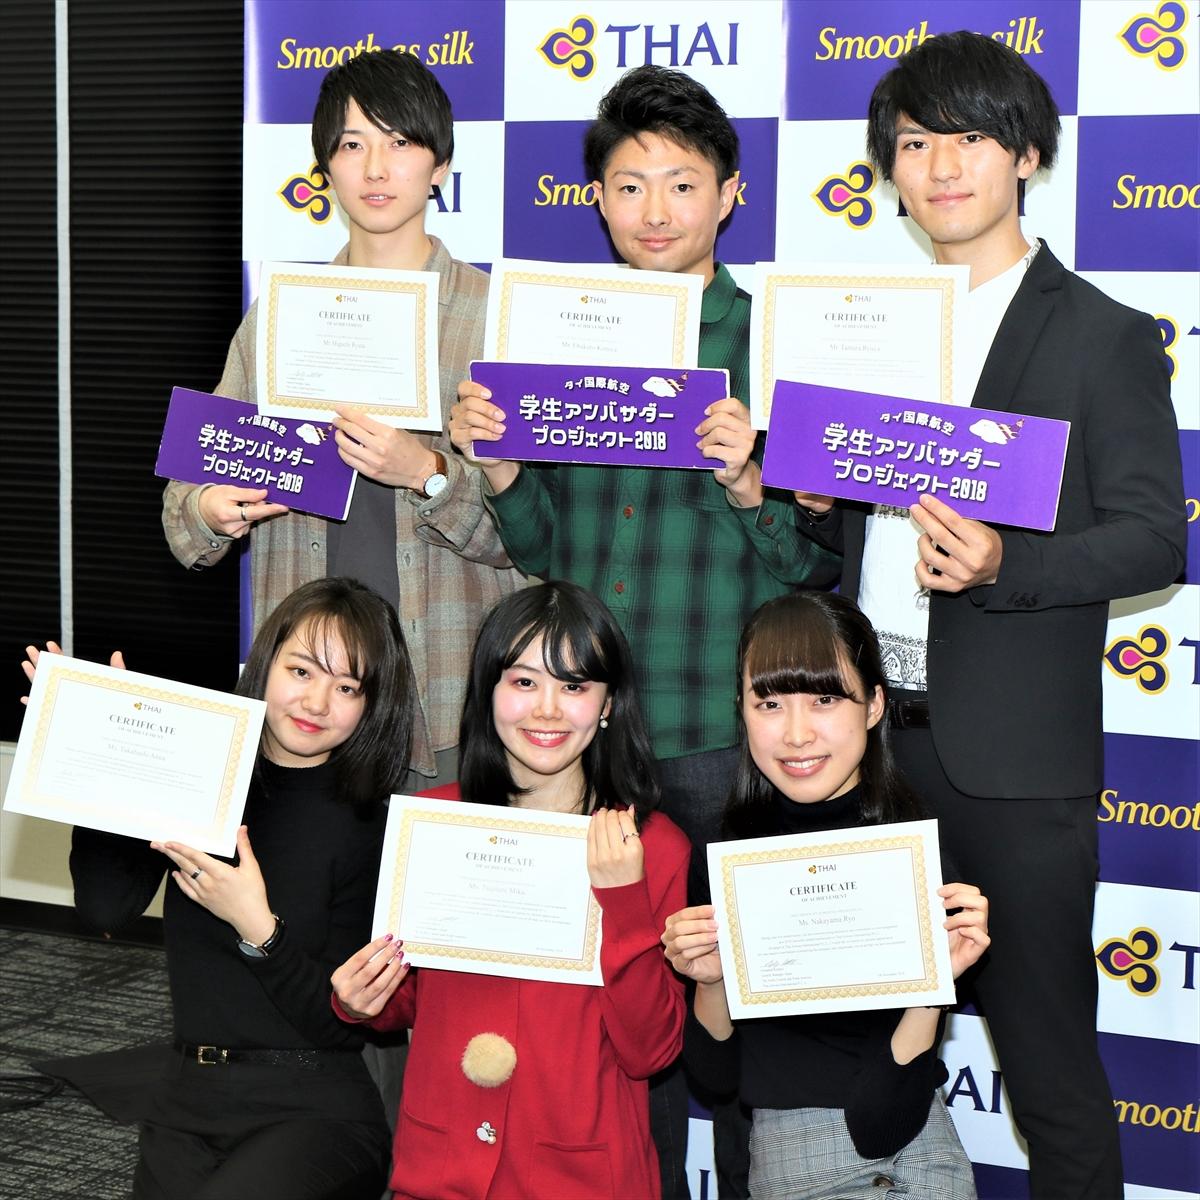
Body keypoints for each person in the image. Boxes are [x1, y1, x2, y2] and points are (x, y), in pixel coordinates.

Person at [790, 32, 1187, 1200]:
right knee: (855, 1046)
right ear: (889, 168)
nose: (942, 165)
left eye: (970, 137)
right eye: (916, 143)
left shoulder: (1102, 333)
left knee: (1050, 1072)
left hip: (1012, 766)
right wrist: (815, 501)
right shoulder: (861, 325)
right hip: (864, 749)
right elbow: (842, 536)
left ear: (1025, 155)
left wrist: (1008, 561)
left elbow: (1155, 539)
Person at [450, 66, 837, 1194]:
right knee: (623, 1016)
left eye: (681, 182)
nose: (655, 209)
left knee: (738, 1012)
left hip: (722, 736)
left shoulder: (779, 344)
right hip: (592, 741)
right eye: (629, 185)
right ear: (597, 200)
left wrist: (752, 485)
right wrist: (505, 471)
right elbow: (543, 550)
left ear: (730, 194)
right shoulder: (558, 334)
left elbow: (817, 571)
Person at [162, 47, 524, 793]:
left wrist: (427, 474)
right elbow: (183, 513)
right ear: (325, 166)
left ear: (440, 166)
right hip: (306, 706)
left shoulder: (496, 323)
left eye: (400, 143)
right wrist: (211, 508)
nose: (376, 168)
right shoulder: (278, 317)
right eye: (352, 145)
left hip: (444, 691)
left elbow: (536, 537)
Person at [24, 577, 417, 1199]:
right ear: (266, 663)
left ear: (372, 704)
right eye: (301, 671)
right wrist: (104, 763)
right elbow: (105, 909)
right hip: (186, 1099)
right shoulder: (204, 774)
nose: (317, 701)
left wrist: (257, 927)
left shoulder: (377, 824)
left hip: (314, 1109)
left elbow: (345, 1025)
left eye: (347, 687)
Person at [331, 581, 691, 1200]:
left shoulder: (652, 846)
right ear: (489, 692)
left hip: (583, 1178)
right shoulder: (435, 823)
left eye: (574, 687)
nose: (547, 710)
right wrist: (361, 999)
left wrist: (624, 903)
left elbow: (650, 1052)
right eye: (524, 681)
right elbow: (407, 1002)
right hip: (440, 1169)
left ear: (608, 703)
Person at [663, 591, 989, 1200]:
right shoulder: (730, 859)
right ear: (742, 711)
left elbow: (884, 1123)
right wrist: (710, 980)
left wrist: (932, 988)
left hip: (908, 1161)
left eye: (825, 699)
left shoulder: (915, 854)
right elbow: (715, 1078)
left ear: (874, 705)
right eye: (770, 703)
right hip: (784, 1167)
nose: (796, 733)